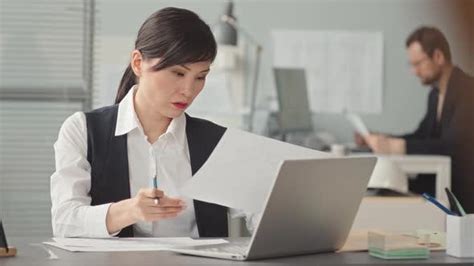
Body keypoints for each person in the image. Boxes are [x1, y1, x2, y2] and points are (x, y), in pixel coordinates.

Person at [51, 7, 256, 238]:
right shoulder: (82, 130)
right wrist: (129, 210)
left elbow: (262, 210)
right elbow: (64, 221)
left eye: (200, 77)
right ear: (138, 63)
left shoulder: (217, 142)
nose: (189, 90)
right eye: (178, 73)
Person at [356, 26, 474, 212]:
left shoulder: (468, 91)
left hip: (463, 195)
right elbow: (422, 136)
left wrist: (397, 146)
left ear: (438, 57)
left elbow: (453, 147)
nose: (414, 71)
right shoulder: (435, 95)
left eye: (418, 64)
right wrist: (384, 139)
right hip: (439, 185)